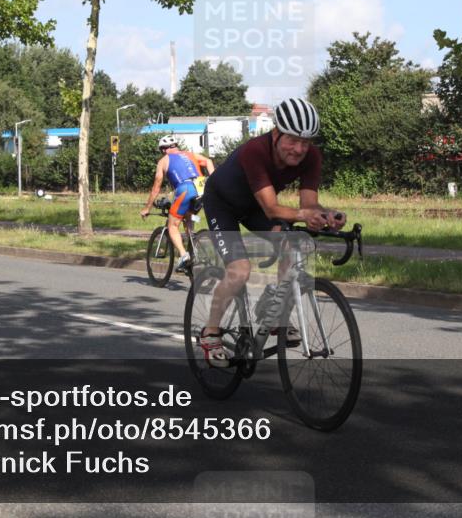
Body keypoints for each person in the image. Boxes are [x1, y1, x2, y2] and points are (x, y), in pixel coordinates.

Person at [199, 98, 346, 367]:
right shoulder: (255, 151)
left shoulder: (311, 156)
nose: (299, 149)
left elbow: (309, 204)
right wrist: (304, 216)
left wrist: (326, 216)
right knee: (240, 270)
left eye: (306, 142)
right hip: (223, 204)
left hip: (254, 206)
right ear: (276, 133)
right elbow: (271, 208)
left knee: (292, 245)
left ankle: (275, 310)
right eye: (293, 140)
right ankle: (210, 332)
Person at [140, 135, 215, 273]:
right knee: (188, 217)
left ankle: (184, 255)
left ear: (163, 150)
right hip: (203, 188)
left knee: (173, 225)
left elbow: (156, 187)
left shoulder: (163, 161)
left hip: (185, 189)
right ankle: (194, 250)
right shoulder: (190, 154)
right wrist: (214, 180)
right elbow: (208, 161)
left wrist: (147, 207)